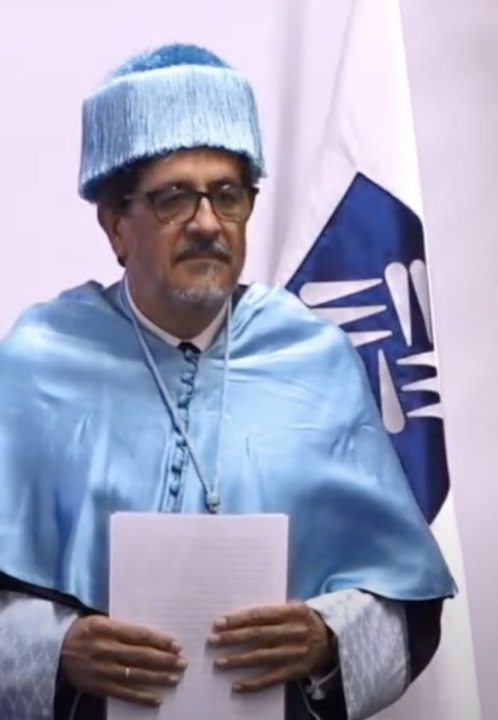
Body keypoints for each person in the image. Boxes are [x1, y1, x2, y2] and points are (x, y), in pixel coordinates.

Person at [0, 43, 455, 720]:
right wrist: (56, 649)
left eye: (228, 195)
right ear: (116, 224)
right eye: (174, 198)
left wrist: (326, 638)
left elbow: (407, 607)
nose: (208, 223)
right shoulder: (38, 362)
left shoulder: (316, 358)